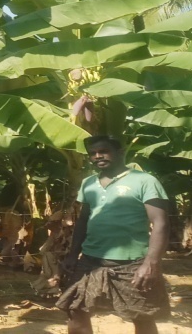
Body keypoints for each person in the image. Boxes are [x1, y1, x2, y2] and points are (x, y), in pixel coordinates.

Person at [57, 135, 171, 334]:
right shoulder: (88, 183)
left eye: (104, 151)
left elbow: (160, 222)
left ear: (120, 152)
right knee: (75, 309)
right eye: (92, 153)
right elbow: (83, 221)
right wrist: (73, 255)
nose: (98, 156)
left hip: (132, 263)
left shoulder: (144, 180)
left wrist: (151, 263)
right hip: (91, 261)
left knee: (142, 316)